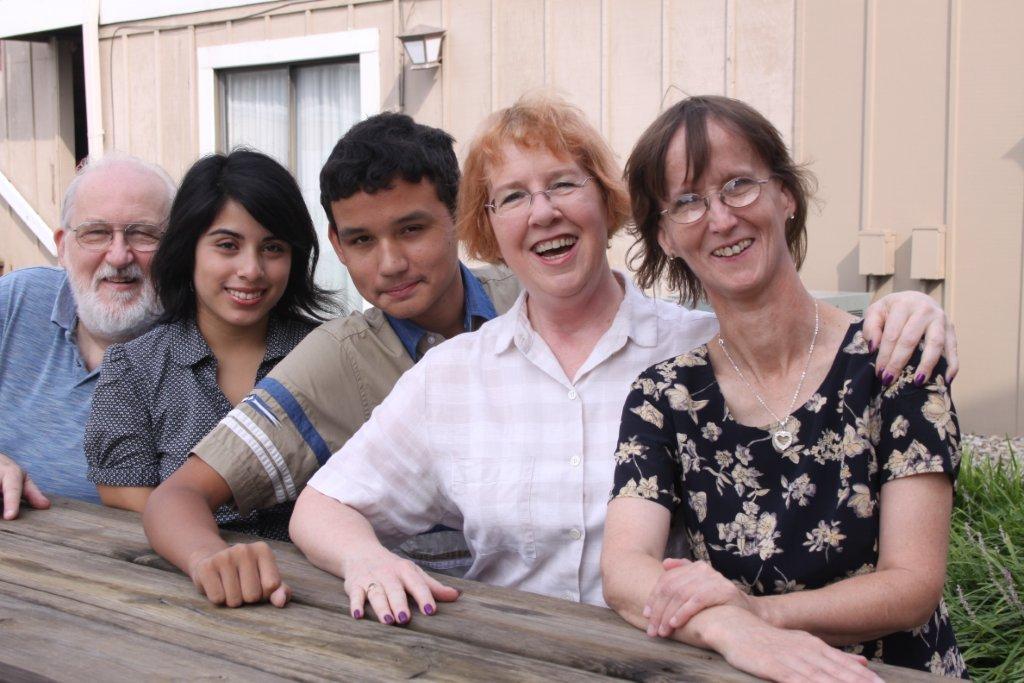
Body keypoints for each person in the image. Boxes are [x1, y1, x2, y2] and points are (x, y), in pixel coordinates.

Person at [287, 95, 955, 646]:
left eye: (563, 185)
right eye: (512, 197)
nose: (542, 210)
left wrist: (912, 307)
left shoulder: (695, 352)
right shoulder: (453, 375)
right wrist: (366, 556)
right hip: (509, 657)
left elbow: (795, 336)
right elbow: (322, 504)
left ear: (607, 203)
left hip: (677, 659)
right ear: (487, 228)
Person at [601, 95, 966, 680]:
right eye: (688, 203)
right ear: (665, 236)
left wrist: (757, 616)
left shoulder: (894, 359)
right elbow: (624, 571)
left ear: (786, 196)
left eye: (739, 185)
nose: (720, 219)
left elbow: (912, 584)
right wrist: (732, 630)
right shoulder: (665, 396)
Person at [141, 114, 520, 607]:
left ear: (460, 214)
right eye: (362, 240)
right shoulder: (337, 359)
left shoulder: (528, 303)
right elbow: (178, 495)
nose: (390, 263)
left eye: (411, 229)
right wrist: (207, 556)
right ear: (337, 244)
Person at [84, 149, 333, 540]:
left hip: (318, 578)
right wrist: (203, 544)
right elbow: (120, 486)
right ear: (188, 250)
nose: (251, 270)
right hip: (177, 578)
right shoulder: (134, 367)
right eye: (227, 245)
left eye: (273, 248)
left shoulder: (329, 354)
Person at [0, 153, 175, 519]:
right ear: (62, 246)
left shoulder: (198, 350)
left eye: (143, 234)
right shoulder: (16, 301)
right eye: (95, 233)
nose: (119, 255)